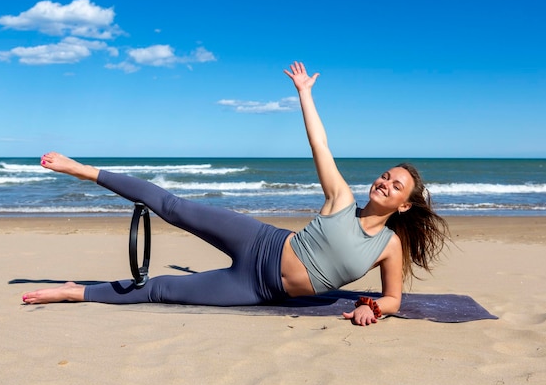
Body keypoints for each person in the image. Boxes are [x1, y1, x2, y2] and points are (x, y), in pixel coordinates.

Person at [22, 61, 449, 326]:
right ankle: (83, 169)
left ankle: (75, 291)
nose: (384, 183)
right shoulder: (340, 199)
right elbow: (321, 144)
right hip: (260, 240)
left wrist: (371, 309)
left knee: (164, 290)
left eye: (396, 185)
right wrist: (305, 94)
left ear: (404, 204)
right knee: (173, 207)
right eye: (385, 175)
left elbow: (392, 297)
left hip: (258, 288)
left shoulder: (389, 245)